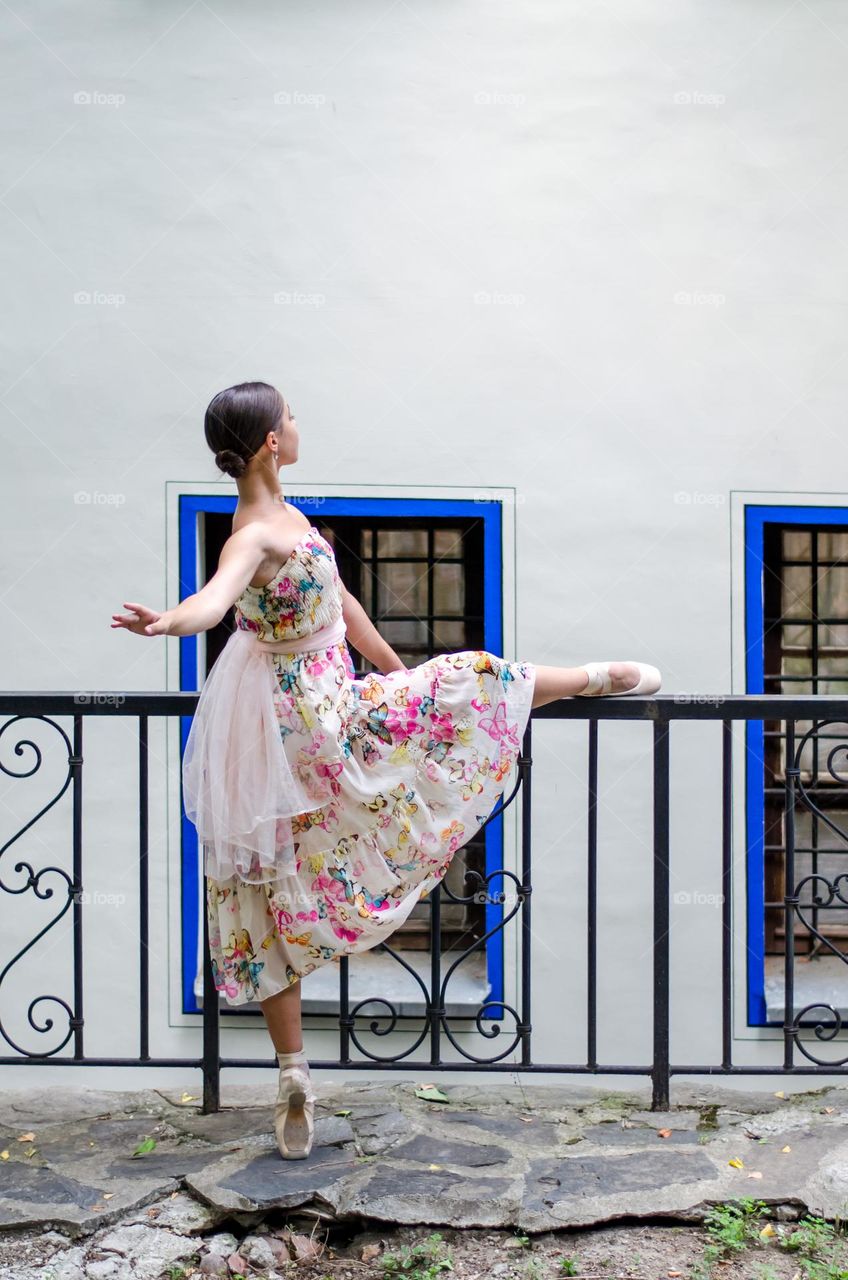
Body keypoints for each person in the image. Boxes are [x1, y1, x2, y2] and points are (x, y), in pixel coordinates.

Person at [111, 380, 661, 1160]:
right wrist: (168, 620)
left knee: (261, 885)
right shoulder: (256, 533)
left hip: (298, 718)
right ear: (271, 440)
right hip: (308, 719)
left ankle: (293, 1074)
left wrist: (397, 675)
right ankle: (593, 676)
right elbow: (213, 600)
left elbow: (343, 611)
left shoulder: (285, 522)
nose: (299, 425)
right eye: (291, 418)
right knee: (472, 674)